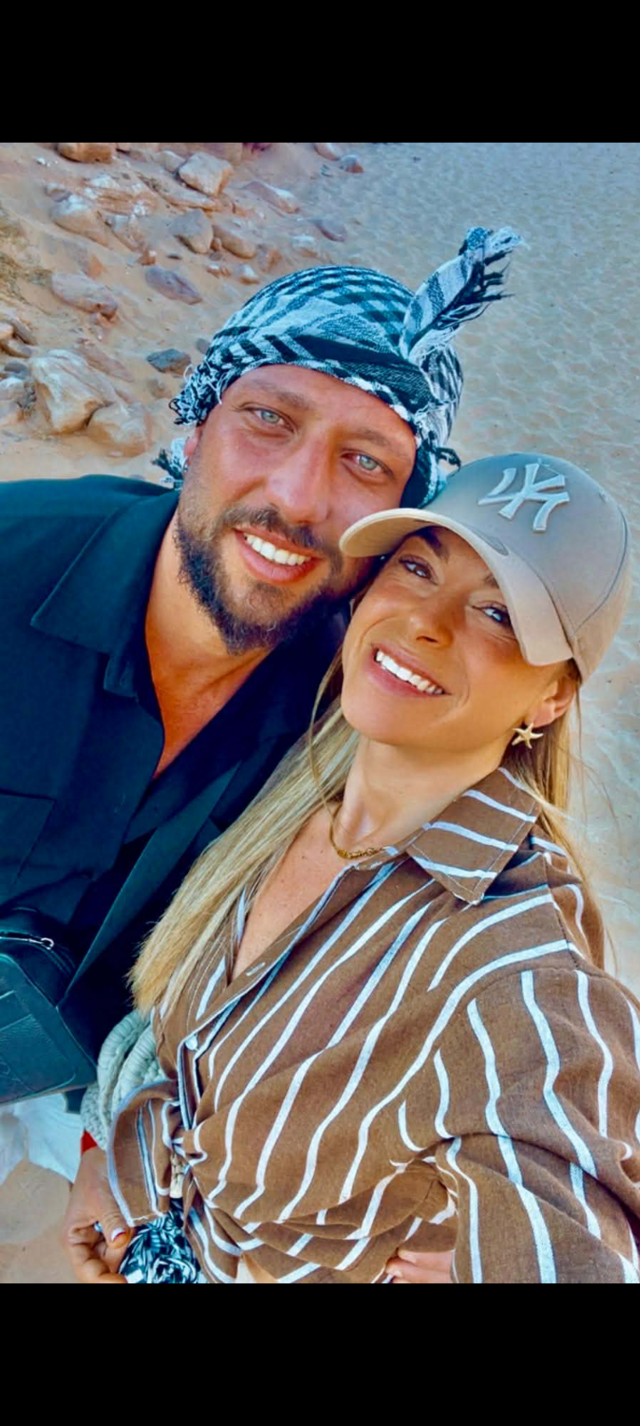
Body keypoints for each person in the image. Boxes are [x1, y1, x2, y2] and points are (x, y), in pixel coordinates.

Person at [0, 228, 521, 1271]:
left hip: (89, 1077)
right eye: (269, 420)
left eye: (364, 461)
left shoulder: (355, 706)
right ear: (197, 424)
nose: (296, 497)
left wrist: (469, 1210)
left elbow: (488, 908)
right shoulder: (13, 566)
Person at [62, 450, 639, 1285]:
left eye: (498, 613)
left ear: (552, 696)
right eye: (416, 567)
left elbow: (576, 1215)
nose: (424, 621)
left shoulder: (512, 960)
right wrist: (107, 1160)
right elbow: (180, 1049)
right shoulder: (284, 780)